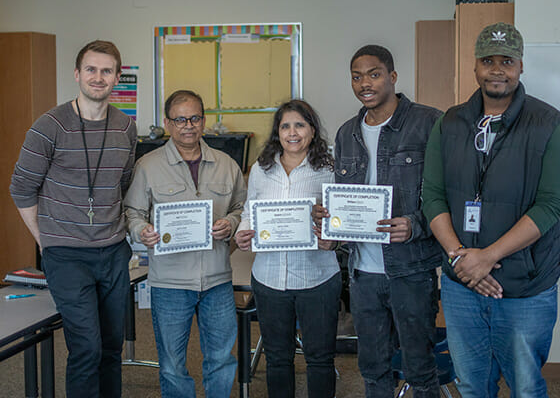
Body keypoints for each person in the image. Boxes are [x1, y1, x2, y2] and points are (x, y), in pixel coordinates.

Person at [422, 22, 560, 397]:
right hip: (462, 286)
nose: (497, 69)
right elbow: (432, 195)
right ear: (475, 66)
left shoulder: (549, 126)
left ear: (520, 65)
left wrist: (486, 257)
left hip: (526, 287)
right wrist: (461, 259)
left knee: (525, 386)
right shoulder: (449, 123)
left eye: (506, 60)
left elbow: (551, 205)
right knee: (472, 385)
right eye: (488, 60)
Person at [312, 45, 442, 398]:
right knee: (372, 368)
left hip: (411, 271)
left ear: (392, 77)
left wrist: (415, 224)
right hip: (363, 273)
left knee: (420, 369)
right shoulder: (346, 133)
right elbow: (342, 198)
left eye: (374, 74)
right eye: (356, 76)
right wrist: (329, 222)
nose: (364, 83)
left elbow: (447, 194)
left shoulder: (429, 122)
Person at [9, 40, 137, 397]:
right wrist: (45, 240)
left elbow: (120, 184)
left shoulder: (126, 128)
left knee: (112, 348)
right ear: (77, 74)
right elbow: (21, 188)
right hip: (66, 254)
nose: (99, 78)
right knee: (87, 348)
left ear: (117, 77)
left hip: (113, 252)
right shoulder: (49, 126)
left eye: (107, 71)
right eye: (91, 70)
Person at [124, 90, 246, 398]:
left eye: (194, 118)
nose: (187, 125)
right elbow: (132, 213)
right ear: (167, 123)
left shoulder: (227, 164)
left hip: (217, 279)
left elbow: (243, 209)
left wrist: (230, 224)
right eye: (180, 119)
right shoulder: (147, 166)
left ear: (204, 122)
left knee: (220, 359)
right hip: (169, 283)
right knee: (172, 365)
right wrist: (142, 231)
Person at [235, 100, 342, 398]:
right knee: (278, 359)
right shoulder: (261, 168)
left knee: (320, 359)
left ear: (312, 129)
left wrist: (332, 236)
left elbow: (341, 217)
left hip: (317, 276)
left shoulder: (329, 169)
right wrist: (243, 232)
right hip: (269, 278)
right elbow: (249, 211)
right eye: (285, 126)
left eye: (299, 125)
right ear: (277, 132)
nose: (292, 133)